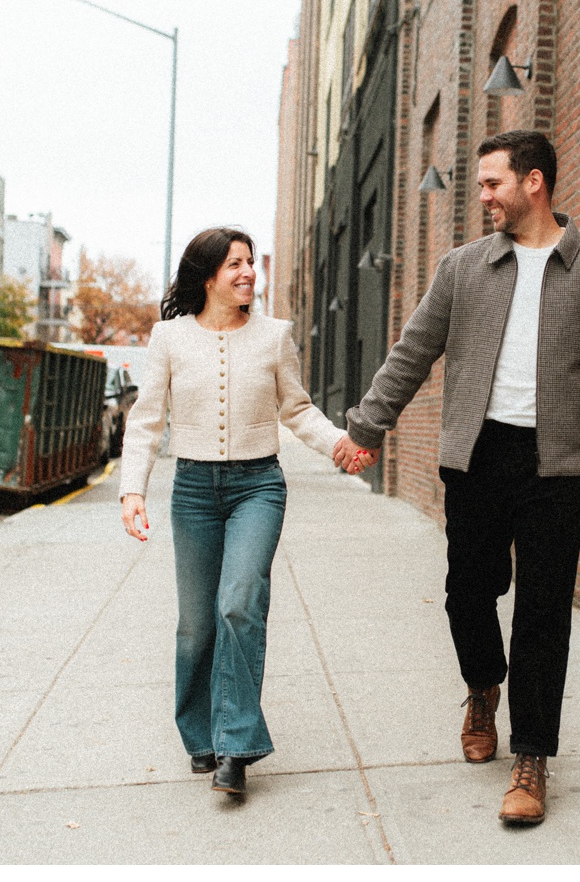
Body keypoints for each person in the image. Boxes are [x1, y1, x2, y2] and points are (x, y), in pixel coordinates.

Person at [336, 130, 580, 825]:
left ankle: (532, 757)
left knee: (542, 609)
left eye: (491, 183)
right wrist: (366, 426)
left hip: (559, 461)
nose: (483, 197)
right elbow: (412, 351)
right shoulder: (463, 268)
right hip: (477, 454)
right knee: (466, 592)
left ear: (533, 182)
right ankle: (483, 685)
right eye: (478, 184)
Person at [119, 226, 358, 797]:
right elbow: (147, 419)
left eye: (251, 262)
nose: (249, 272)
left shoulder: (275, 337)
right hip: (195, 491)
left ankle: (236, 747)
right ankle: (200, 737)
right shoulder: (169, 338)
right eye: (235, 264)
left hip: (258, 487)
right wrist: (133, 490)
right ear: (207, 277)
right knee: (195, 628)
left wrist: (340, 445)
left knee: (239, 605)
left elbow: (297, 410)